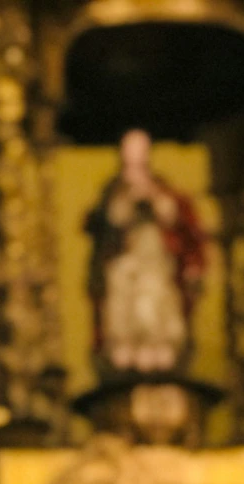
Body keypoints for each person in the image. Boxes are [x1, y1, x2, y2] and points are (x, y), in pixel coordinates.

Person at [85, 130, 208, 378]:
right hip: (124, 263)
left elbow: (177, 221)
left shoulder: (159, 188)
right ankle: (124, 350)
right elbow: (107, 225)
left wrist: (151, 197)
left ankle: (159, 350)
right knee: (122, 305)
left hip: (154, 262)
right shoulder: (114, 192)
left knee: (154, 302)